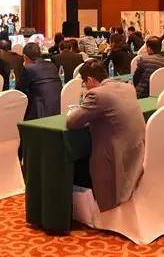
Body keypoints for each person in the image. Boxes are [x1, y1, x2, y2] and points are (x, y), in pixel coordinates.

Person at [66, 60, 145, 212]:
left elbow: (72, 122)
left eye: (84, 83)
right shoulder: (128, 87)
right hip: (135, 151)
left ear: (89, 80)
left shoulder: (97, 94)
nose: (85, 87)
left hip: (116, 157)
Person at [17, 43, 62, 119]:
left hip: (37, 115)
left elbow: (19, 92)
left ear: (24, 57)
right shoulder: (52, 65)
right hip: (57, 110)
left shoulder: (28, 68)